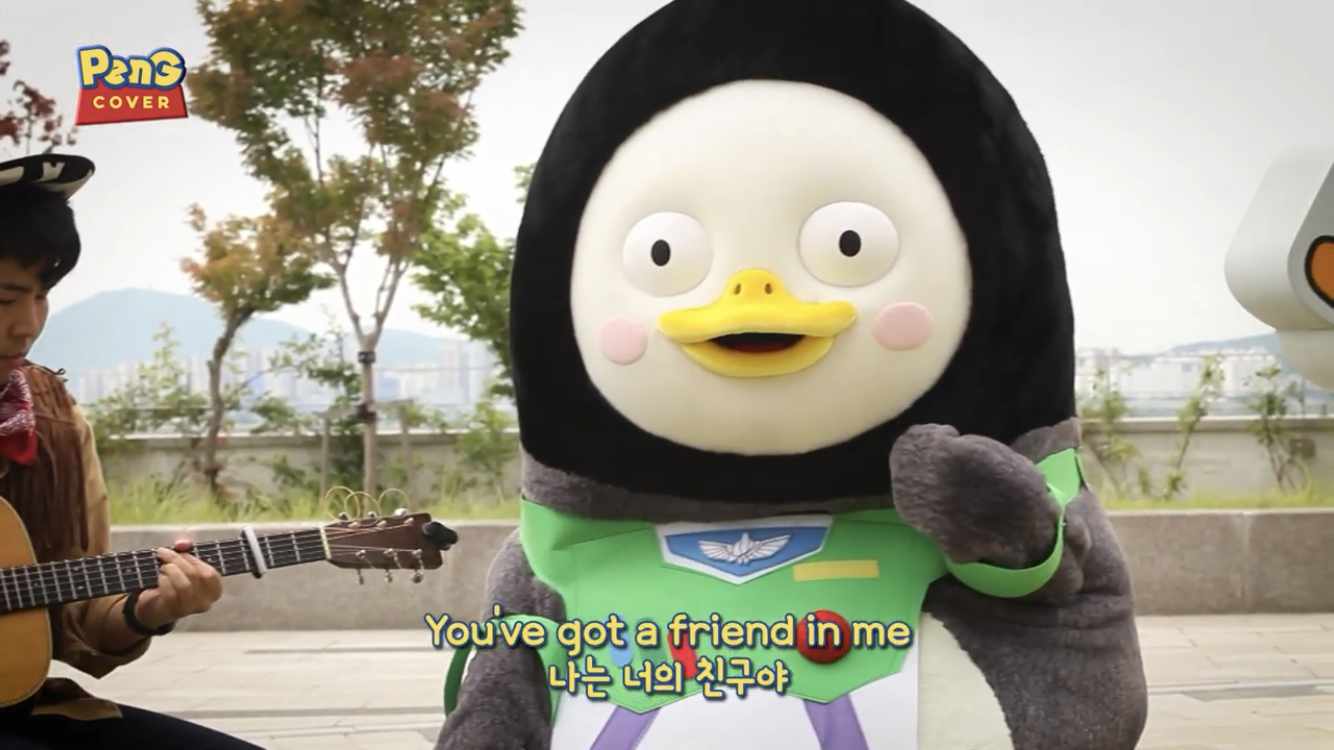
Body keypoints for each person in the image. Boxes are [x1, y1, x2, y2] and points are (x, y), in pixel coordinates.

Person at [0, 154, 264, 750]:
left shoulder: (54, 419)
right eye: (3, 300)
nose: (28, 325)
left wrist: (145, 610)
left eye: (42, 296)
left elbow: (76, 616)